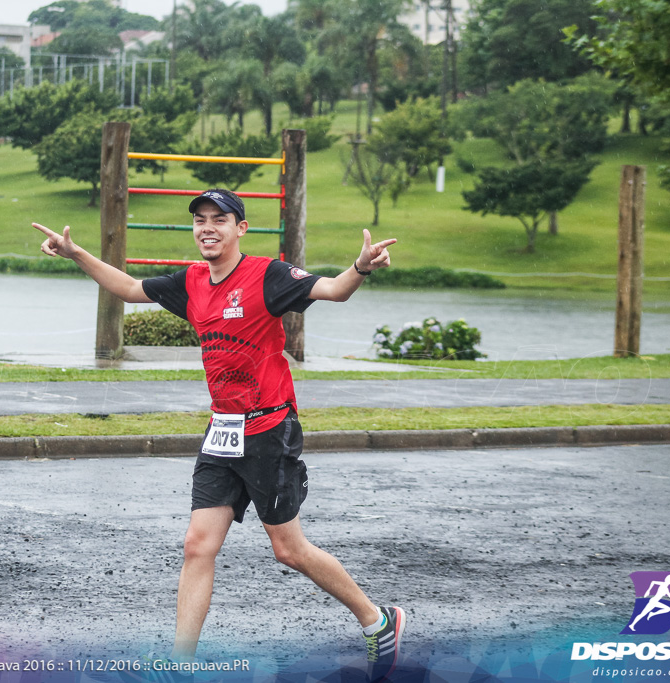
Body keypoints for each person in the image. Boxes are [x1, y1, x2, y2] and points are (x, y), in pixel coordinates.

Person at [32, 188, 403, 681]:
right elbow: (127, 288)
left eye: (219, 220)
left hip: (271, 428)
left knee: (289, 550)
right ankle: (179, 664)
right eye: (200, 220)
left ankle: (379, 621)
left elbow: (333, 290)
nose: (207, 228)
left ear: (240, 229)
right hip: (222, 430)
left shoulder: (268, 275)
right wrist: (76, 253)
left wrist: (360, 267)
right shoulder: (190, 282)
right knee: (197, 545)